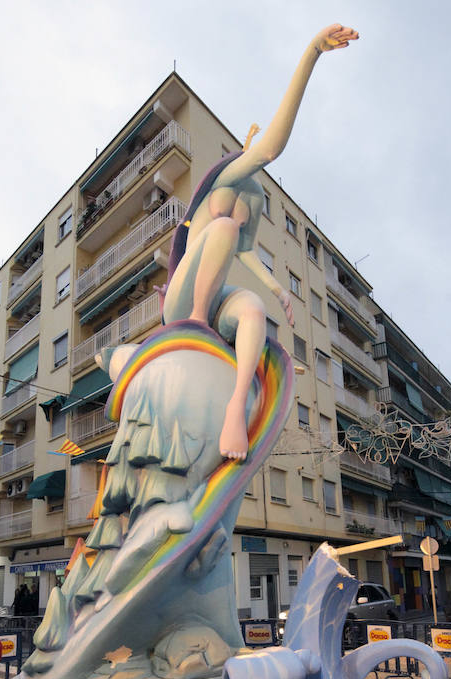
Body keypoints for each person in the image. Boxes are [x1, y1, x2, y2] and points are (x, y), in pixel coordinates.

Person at [161, 23, 358, 459]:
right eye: (250, 153)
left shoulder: (255, 194)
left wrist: (275, 288)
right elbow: (271, 148)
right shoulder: (227, 179)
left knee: (251, 307)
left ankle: (235, 408)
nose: (256, 157)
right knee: (225, 229)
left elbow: (245, 251)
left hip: (217, 299)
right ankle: (196, 324)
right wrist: (312, 52)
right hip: (184, 299)